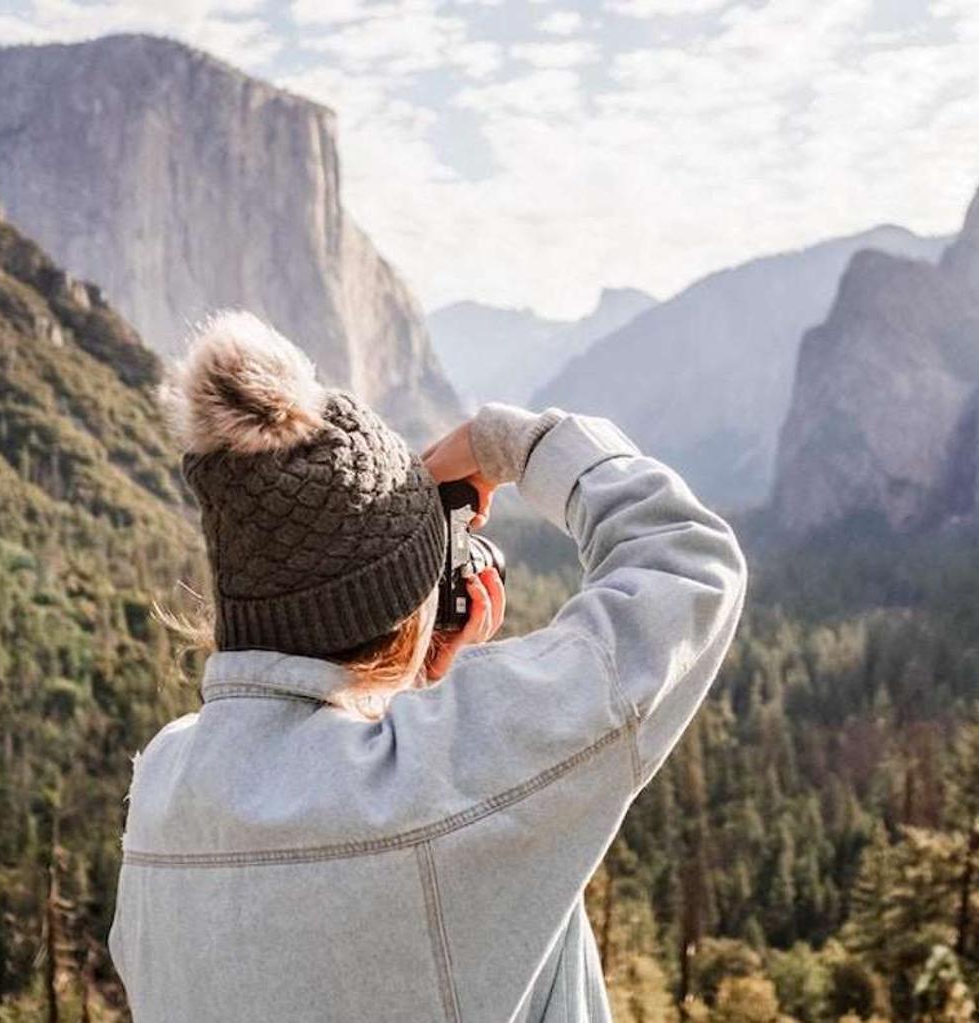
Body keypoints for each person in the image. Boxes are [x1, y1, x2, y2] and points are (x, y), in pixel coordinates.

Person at [108, 311, 747, 1021]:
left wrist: (411, 675)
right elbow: (688, 562)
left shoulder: (163, 790)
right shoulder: (441, 778)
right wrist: (518, 443)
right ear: (409, 610)